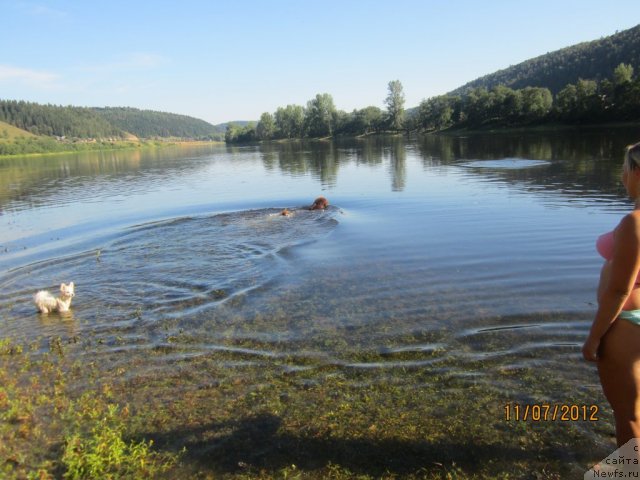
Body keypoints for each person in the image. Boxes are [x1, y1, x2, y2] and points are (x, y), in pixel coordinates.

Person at [583, 142, 640, 447]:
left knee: (627, 415)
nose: (621, 177)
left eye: (624, 169)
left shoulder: (634, 224)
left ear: (637, 172)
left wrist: (594, 337)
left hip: (627, 323)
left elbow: (619, 290)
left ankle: (629, 473)